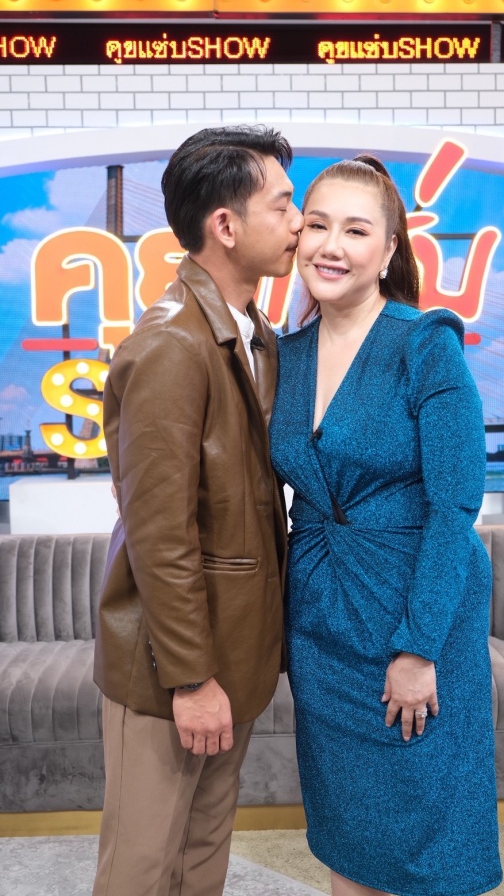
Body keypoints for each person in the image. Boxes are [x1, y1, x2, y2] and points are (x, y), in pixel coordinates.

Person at [269, 156, 503, 896]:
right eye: (317, 225)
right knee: (346, 831)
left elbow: (456, 505)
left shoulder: (424, 342)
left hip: (413, 613)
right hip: (322, 623)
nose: (331, 246)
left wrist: (419, 646)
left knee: (429, 838)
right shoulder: (285, 355)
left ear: (390, 248)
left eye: (356, 230)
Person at [92, 125, 303, 896]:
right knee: (143, 868)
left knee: (201, 857)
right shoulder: (171, 344)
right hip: (172, 671)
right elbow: (160, 533)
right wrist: (190, 679)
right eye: (283, 205)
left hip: (233, 656)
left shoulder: (252, 334)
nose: (300, 222)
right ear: (225, 224)